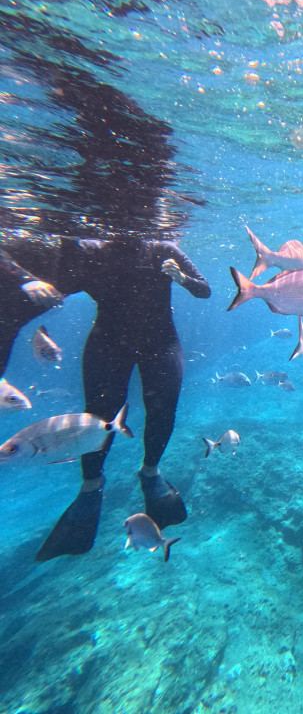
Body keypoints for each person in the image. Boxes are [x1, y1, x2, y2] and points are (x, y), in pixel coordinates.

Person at [0, 232, 210, 560]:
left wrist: (180, 277)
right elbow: (57, 282)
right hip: (109, 342)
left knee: (162, 409)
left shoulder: (163, 248)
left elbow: (203, 289)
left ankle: (150, 473)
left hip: (160, 340)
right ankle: (90, 489)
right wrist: (30, 283)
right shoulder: (91, 250)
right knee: (97, 417)